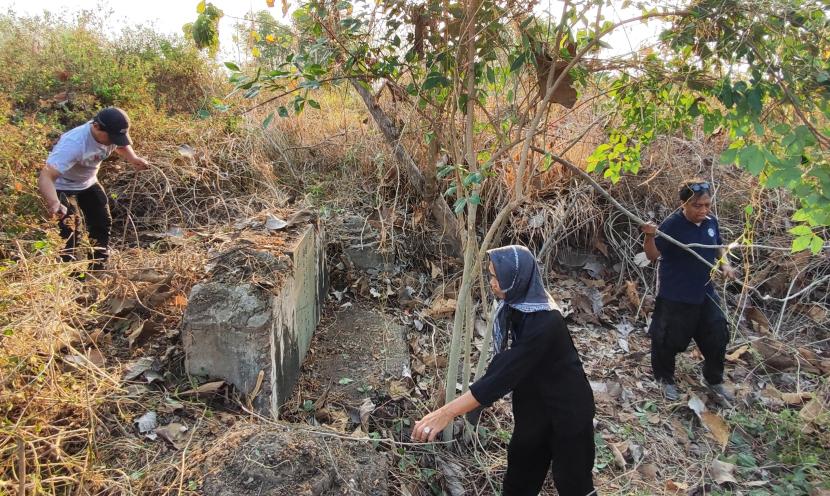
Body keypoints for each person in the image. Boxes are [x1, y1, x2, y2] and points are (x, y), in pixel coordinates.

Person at [412, 245, 596, 496]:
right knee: (519, 478)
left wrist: (446, 413)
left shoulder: (545, 322)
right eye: (490, 275)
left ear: (517, 280)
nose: (492, 283)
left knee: (574, 484)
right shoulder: (516, 305)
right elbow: (503, 367)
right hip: (534, 407)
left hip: (568, 411)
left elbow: (502, 376)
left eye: (498, 278)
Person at [641, 178, 736, 403]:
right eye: (697, 206)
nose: (703, 210)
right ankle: (665, 380)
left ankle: (713, 380)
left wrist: (725, 264)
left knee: (717, 334)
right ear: (683, 204)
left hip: (705, 292)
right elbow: (652, 256)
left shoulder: (711, 222)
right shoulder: (672, 225)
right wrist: (649, 236)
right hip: (676, 295)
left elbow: (717, 246)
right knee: (666, 340)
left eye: (707, 205)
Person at [37, 107, 148, 272]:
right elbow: (46, 175)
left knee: (102, 222)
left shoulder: (111, 134)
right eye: (111, 137)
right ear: (96, 127)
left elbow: (121, 145)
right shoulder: (74, 143)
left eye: (117, 137)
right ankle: (70, 275)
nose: (113, 141)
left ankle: (98, 268)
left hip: (88, 182)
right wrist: (54, 203)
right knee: (70, 230)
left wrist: (133, 159)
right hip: (62, 186)